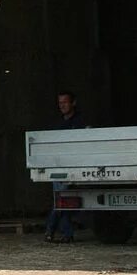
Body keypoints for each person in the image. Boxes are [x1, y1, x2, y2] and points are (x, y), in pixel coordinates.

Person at [45, 90, 85, 243]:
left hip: (76, 166)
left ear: (73, 103)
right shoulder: (58, 124)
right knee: (62, 200)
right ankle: (65, 234)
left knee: (62, 201)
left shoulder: (80, 122)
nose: (62, 105)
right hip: (60, 167)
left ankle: (52, 230)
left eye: (65, 102)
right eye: (60, 103)